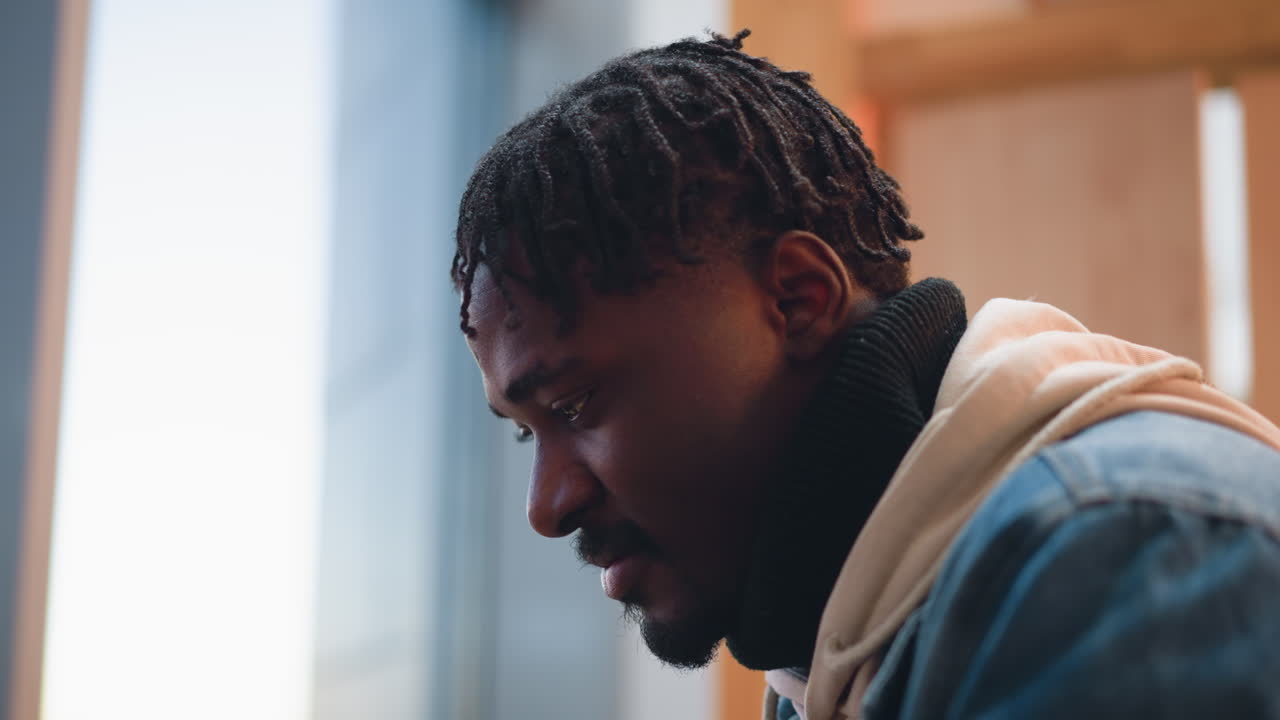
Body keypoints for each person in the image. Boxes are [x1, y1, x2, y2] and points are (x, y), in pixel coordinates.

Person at [451, 30, 1280, 720]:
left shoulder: (1115, 565)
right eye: (528, 430)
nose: (546, 507)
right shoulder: (838, 648)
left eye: (576, 402)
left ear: (798, 300)